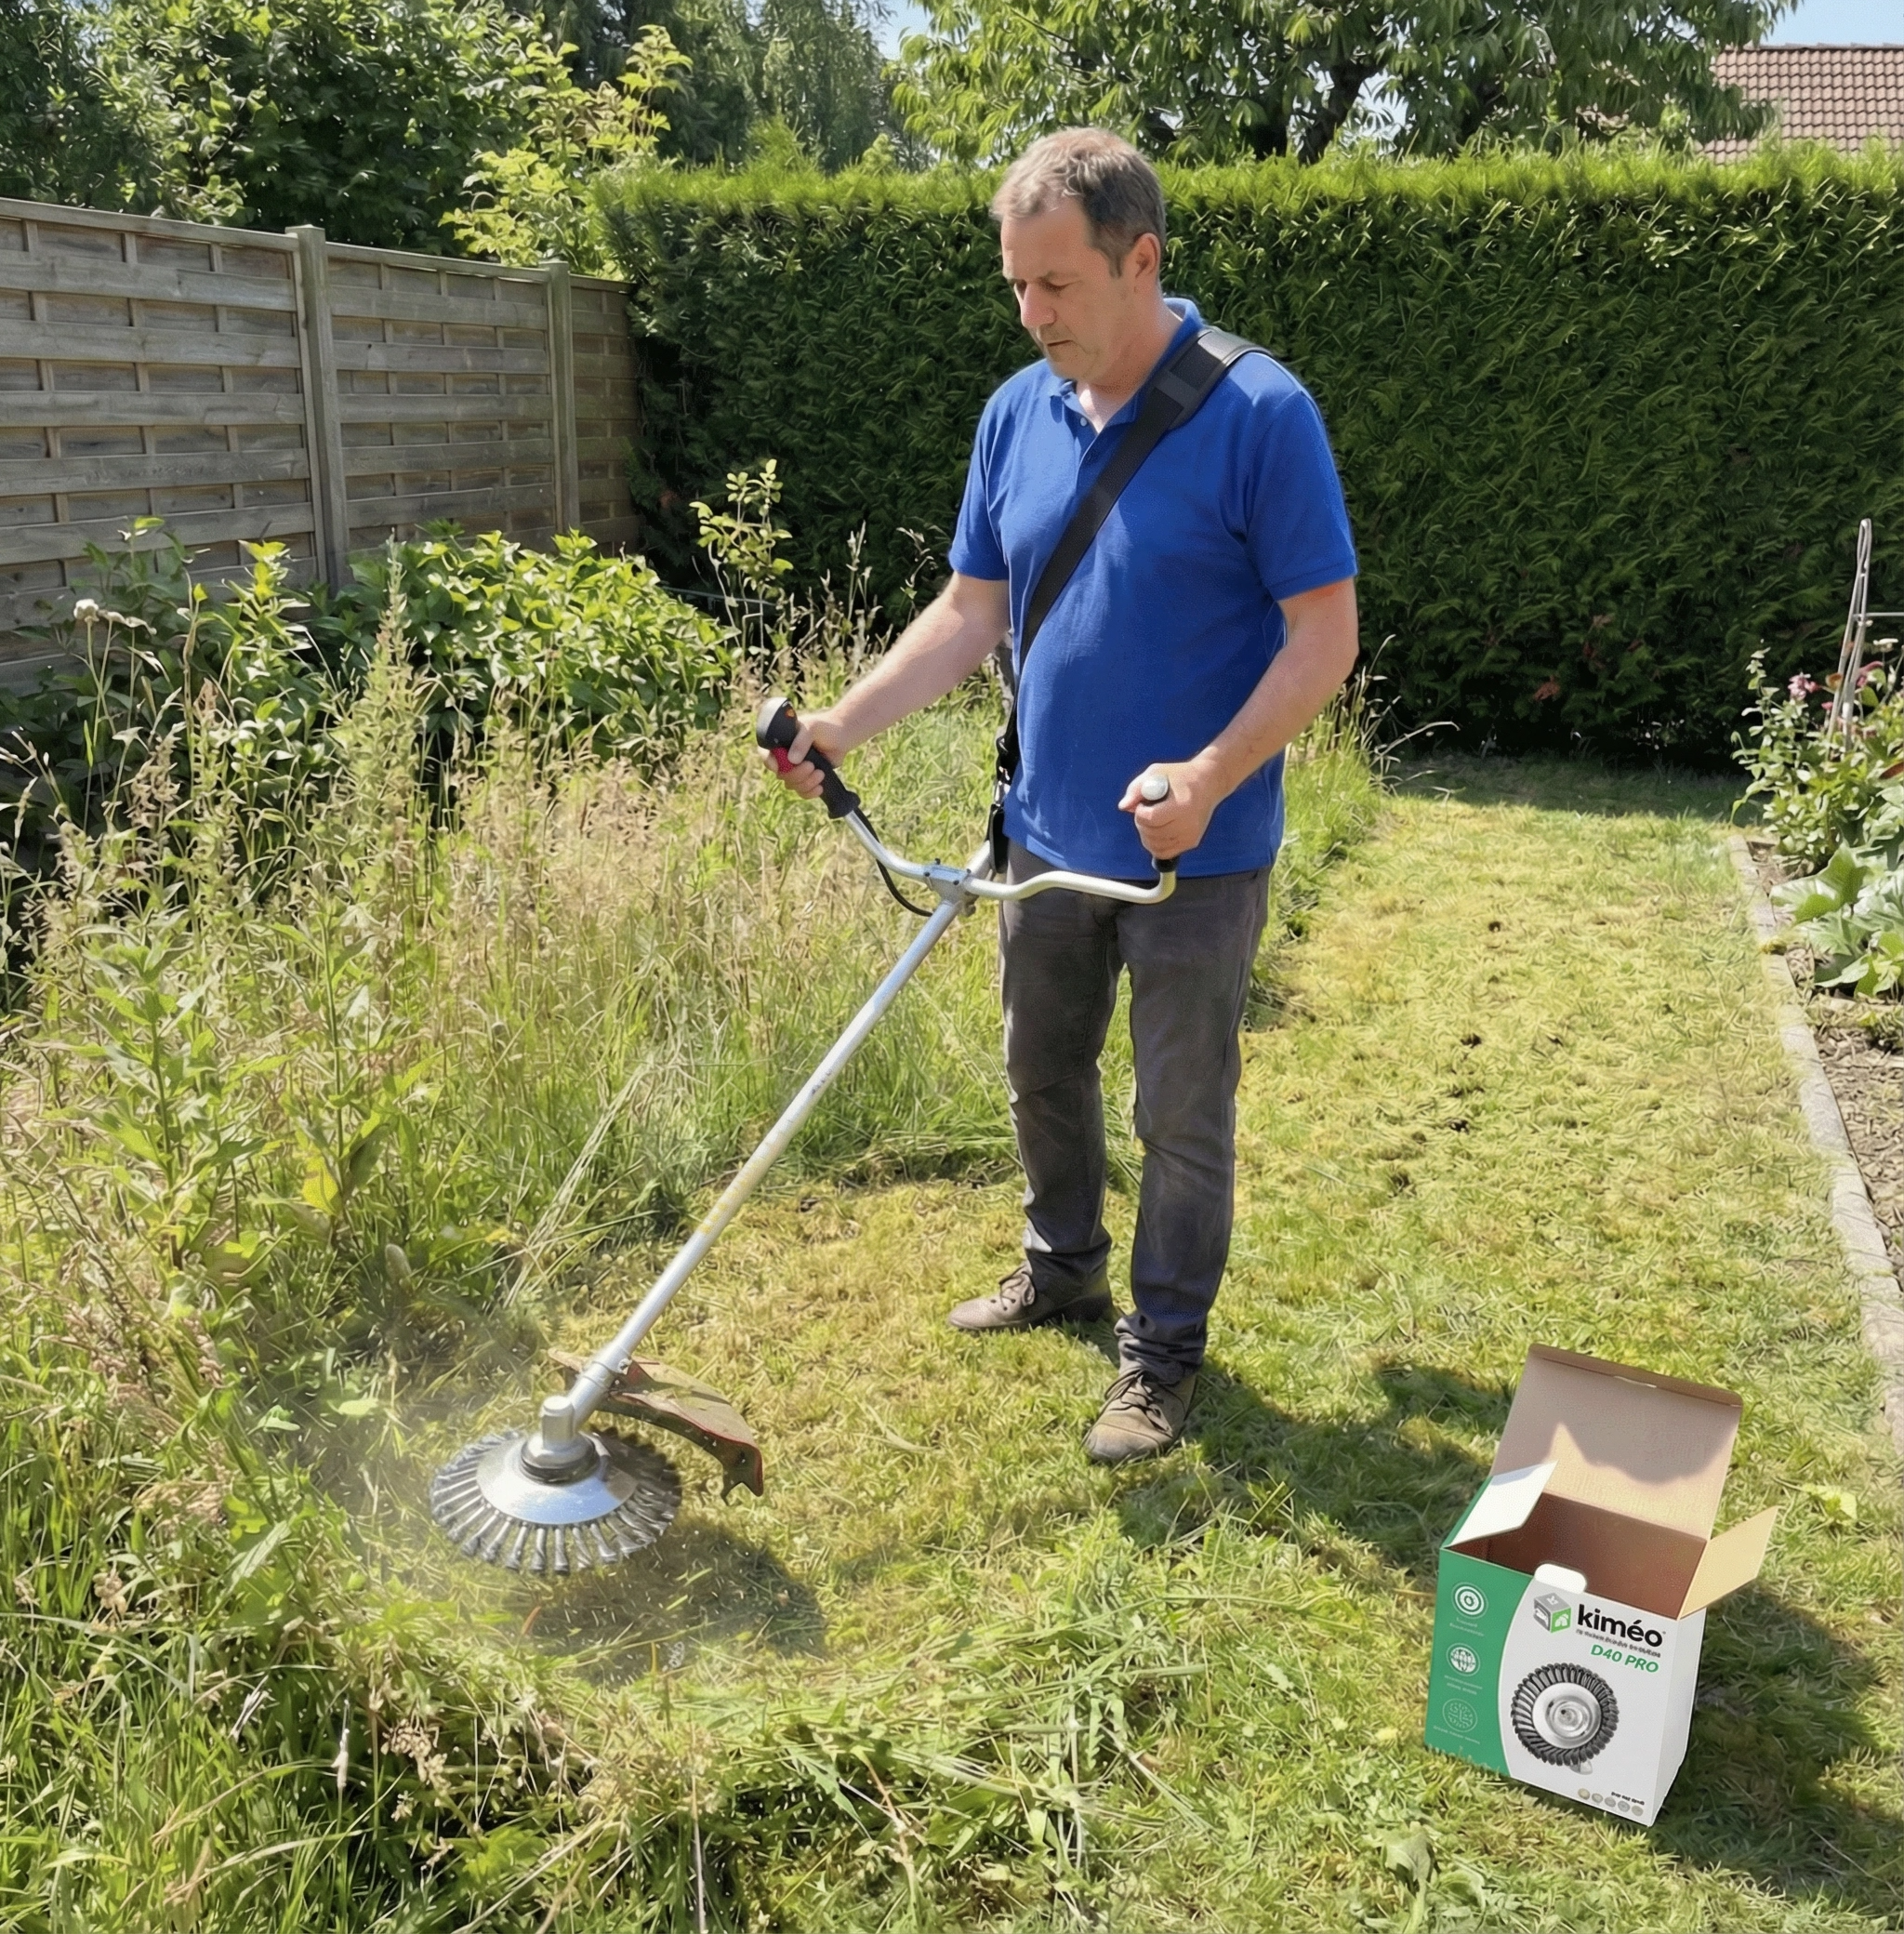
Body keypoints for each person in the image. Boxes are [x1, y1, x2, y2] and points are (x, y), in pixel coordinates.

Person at [769, 127, 1359, 1464]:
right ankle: (1065, 1265)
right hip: (1043, 834)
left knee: (1179, 1112)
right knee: (1042, 1071)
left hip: (1192, 855)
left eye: (1058, 286)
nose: (1033, 316)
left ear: (1141, 261)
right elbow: (972, 610)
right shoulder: (1011, 415)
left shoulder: (1261, 413)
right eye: (1015, 289)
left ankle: (1161, 1353)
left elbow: (1324, 637)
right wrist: (842, 725)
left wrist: (1210, 777)